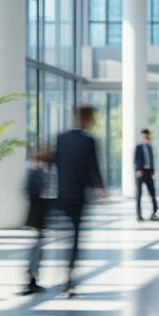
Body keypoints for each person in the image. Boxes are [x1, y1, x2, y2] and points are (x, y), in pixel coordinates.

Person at [54, 105, 105, 297]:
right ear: (86, 119)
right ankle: (69, 279)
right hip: (78, 198)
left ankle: (63, 275)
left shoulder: (62, 138)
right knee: (75, 239)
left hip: (63, 195)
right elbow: (93, 168)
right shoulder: (89, 141)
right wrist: (100, 190)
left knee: (64, 239)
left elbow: (57, 164)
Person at [20, 144, 54, 295]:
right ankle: (31, 279)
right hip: (36, 215)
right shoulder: (33, 170)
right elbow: (31, 191)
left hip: (40, 215)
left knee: (38, 247)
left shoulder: (41, 170)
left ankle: (33, 278)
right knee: (36, 248)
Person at [133, 128, 159, 222]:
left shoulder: (150, 147)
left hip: (148, 173)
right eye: (145, 135)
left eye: (147, 135)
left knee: (152, 193)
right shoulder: (138, 147)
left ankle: (154, 212)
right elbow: (136, 160)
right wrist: (138, 170)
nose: (146, 137)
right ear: (142, 136)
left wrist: (152, 170)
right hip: (140, 172)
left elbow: (151, 160)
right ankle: (139, 215)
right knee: (139, 194)